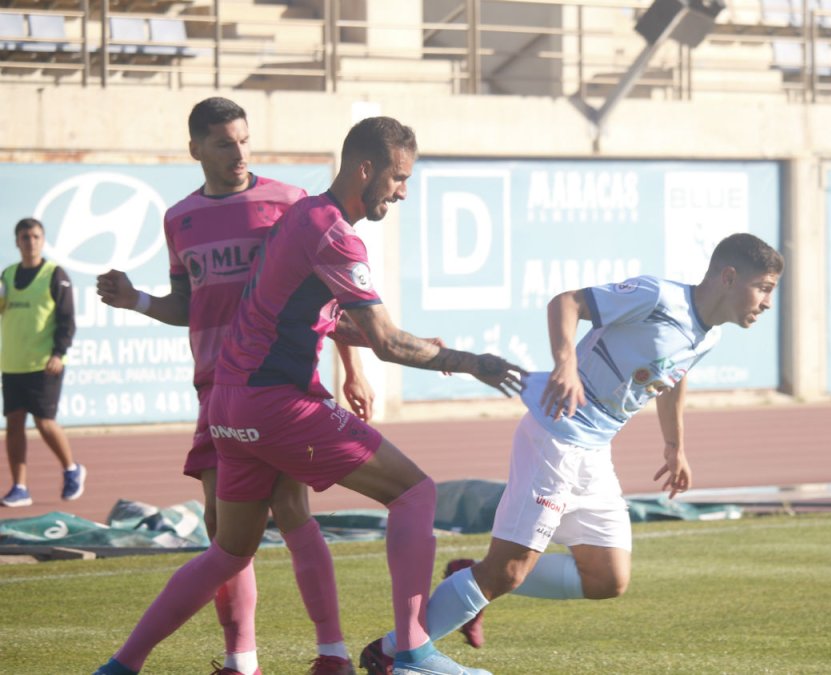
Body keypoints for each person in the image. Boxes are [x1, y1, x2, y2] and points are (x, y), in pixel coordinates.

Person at [94, 116, 524, 675]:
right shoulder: (333, 234)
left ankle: (121, 666)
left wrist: (405, 347)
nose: (403, 192)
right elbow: (387, 341)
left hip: (227, 404)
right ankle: (413, 652)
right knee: (414, 493)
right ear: (365, 169)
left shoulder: (301, 215)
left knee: (229, 550)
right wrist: (473, 364)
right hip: (276, 403)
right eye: (398, 178)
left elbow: (325, 321)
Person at [358, 232, 784, 672]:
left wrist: (675, 446)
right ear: (729, 277)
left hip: (595, 451)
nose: (768, 302)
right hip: (555, 437)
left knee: (607, 578)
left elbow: (674, 378)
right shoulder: (658, 296)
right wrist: (565, 364)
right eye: (764, 288)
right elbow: (566, 302)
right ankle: (392, 652)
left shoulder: (708, 337)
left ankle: (474, 576)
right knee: (508, 571)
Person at [96, 97, 372, 675]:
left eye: (245, 140)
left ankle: (332, 653)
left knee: (292, 509)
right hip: (215, 388)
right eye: (224, 143)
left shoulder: (288, 203)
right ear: (195, 148)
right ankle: (241, 661)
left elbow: (330, 287)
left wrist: (353, 367)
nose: (238, 153)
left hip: (281, 381)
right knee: (224, 531)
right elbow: (186, 305)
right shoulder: (179, 219)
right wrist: (136, 300)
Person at [0, 217, 85, 508]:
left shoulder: (54, 274)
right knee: (13, 426)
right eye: (25, 237)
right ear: (17, 241)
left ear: (42, 240)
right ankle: (20, 487)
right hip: (12, 364)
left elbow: (67, 320)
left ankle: (72, 469)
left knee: (45, 423)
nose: (30, 241)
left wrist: (58, 354)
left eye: (35, 236)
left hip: (45, 364)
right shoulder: (7, 276)